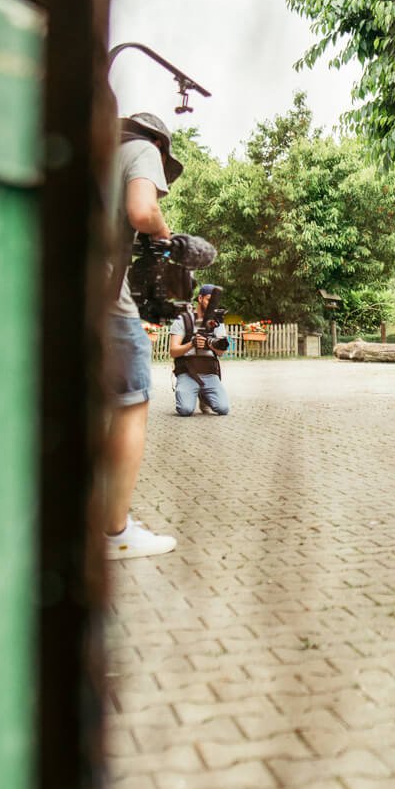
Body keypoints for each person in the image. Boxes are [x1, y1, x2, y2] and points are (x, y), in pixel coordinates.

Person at [103, 111, 182, 558]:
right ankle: (115, 532)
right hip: (104, 292)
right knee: (133, 398)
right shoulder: (143, 148)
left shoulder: (93, 154)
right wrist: (166, 236)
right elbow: (142, 209)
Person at [170, 284, 231, 417]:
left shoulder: (217, 322)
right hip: (187, 371)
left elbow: (221, 352)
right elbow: (173, 351)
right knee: (185, 410)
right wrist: (192, 344)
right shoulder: (183, 320)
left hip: (209, 372)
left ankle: (204, 396)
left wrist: (209, 344)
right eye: (209, 299)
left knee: (223, 409)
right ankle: (188, 391)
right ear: (200, 298)